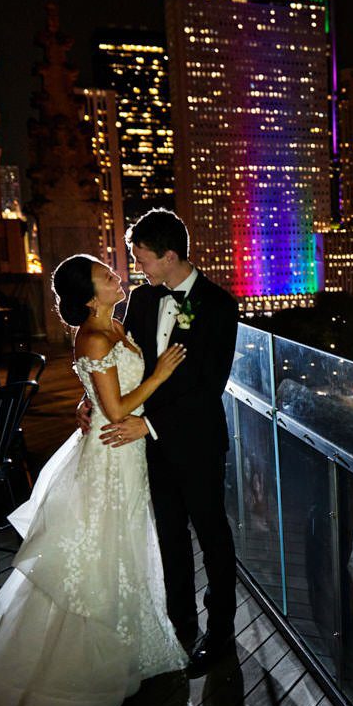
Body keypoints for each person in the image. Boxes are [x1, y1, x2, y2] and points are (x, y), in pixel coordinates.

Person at [0, 253, 189, 706]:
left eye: (113, 272)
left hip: (125, 453)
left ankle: (123, 654)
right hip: (110, 455)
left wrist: (88, 398)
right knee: (98, 554)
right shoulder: (92, 335)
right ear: (90, 297)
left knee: (121, 548)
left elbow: (100, 393)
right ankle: (66, 675)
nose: (118, 277)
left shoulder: (117, 326)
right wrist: (160, 374)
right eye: (107, 277)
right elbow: (116, 406)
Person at [79, 208, 240, 673]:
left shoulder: (219, 305)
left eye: (142, 258)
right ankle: (180, 621)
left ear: (169, 256)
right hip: (151, 445)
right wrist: (89, 397)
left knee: (212, 536)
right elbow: (118, 360)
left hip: (196, 442)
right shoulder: (145, 302)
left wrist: (149, 424)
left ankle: (221, 630)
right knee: (169, 535)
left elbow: (209, 384)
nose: (138, 268)